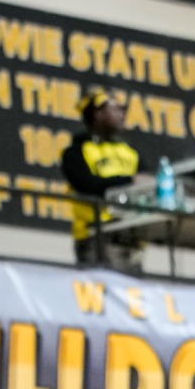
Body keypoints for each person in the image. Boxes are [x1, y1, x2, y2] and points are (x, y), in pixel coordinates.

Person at [62, 88, 144, 272]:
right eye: (115, 108)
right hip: (95, 236)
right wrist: (129, 181)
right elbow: (87, 185)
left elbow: (147, 181)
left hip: (131, 237)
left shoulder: (129, 152)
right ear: (98, 114)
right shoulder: (77, 151)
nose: (122, 113)